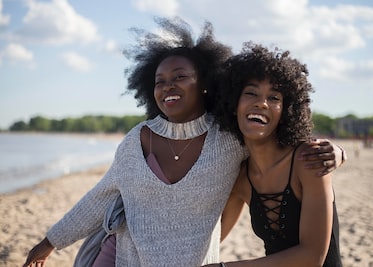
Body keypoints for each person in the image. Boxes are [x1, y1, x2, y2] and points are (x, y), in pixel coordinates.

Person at [23, 18, 344, 267]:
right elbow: (99, 198)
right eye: (160, 81)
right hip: (123, 258)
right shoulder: (137, 141)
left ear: (205, 85)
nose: (168, 86)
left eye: (179, 77)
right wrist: (49, 242)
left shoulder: (230, 142)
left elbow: (278, 146)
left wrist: (338, 153)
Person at [206, 42, 343, 267]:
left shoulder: (308, 160)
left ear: (287, 111)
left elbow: (312, 257)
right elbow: (212, 238)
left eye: (274, 98)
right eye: (251, 93)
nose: (261, 103)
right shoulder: (241, 177)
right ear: (233, 104)